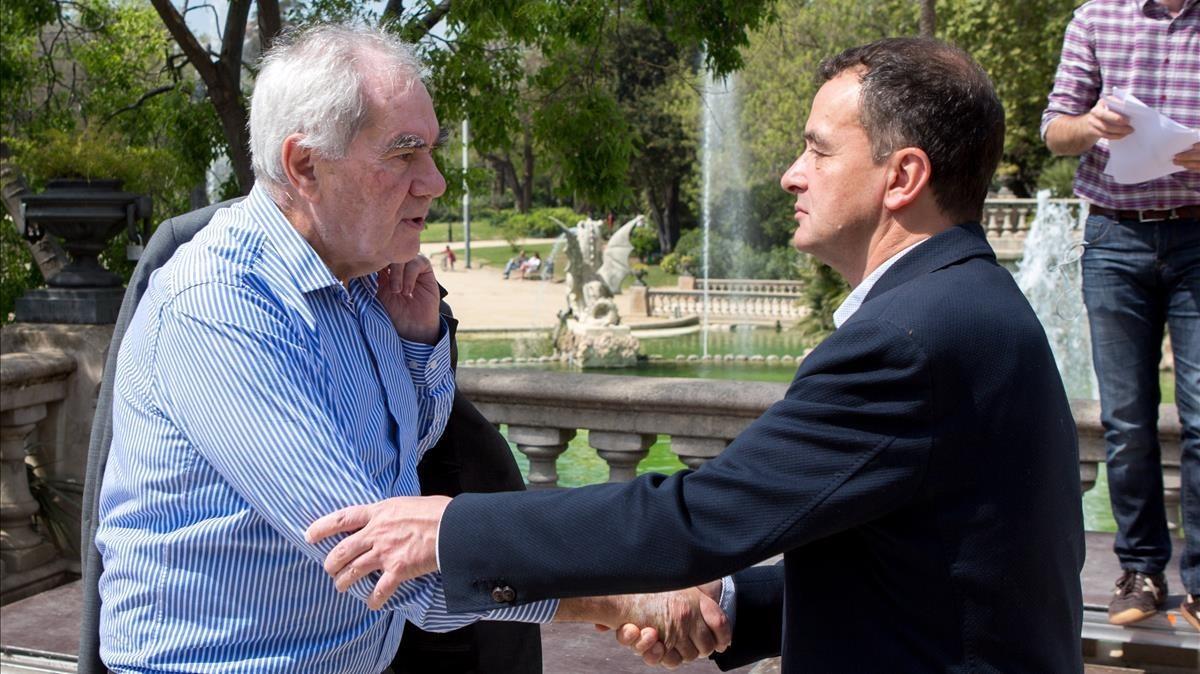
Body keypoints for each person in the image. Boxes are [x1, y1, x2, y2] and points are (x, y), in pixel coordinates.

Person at [307, 37, 1086, 672]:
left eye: (818, 152)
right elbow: (928, 570)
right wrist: (734, 604)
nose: (790, 175)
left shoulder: (914, 338)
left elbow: (697, 517)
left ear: (903, 177)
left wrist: (452, 531)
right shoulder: (968, 306)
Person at [93, 24, 725, 673]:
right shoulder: (221, 308)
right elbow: (384, 564)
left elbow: (403, 452)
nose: (436, 182)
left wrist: (417, 344)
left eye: (432, 150)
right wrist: (625, 594)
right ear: (305, 165)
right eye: (404, 153)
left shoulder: (361, 279)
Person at [1041, 0, 1200, 631]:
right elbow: (1054, 130)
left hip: (1197, 238)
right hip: (1115, 240)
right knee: (1127, 419)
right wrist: (1093, 125)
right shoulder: (1096, 18)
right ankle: (1139, 571)